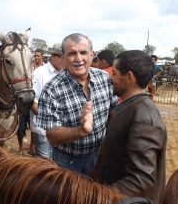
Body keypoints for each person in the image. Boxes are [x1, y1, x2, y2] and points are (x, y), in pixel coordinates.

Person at [90, 50, 167, 204]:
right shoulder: (131, 106)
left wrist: (99, 196)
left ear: (129, 77)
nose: (111, 78)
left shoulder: (144, 117)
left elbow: (142, 179)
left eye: (115, 73)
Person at [36, 33, 117, 175]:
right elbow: (51, 135)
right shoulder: (51, 90)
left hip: (99, 155)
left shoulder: (104, 78)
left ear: (92, 55)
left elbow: (114, 110)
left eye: (83, 52)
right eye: (72, 53)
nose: (79, 59)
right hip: (67, 161)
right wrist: (81, 130)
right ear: (63, 58)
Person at [30, 44, 64, 158]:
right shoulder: (39, 73)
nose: (65, 61)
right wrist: (48, 122)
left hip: (60, 131)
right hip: (42, 130)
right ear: (53, 56)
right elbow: (32, 101)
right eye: (62, 57)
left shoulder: (64, 74)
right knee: (45, 163)